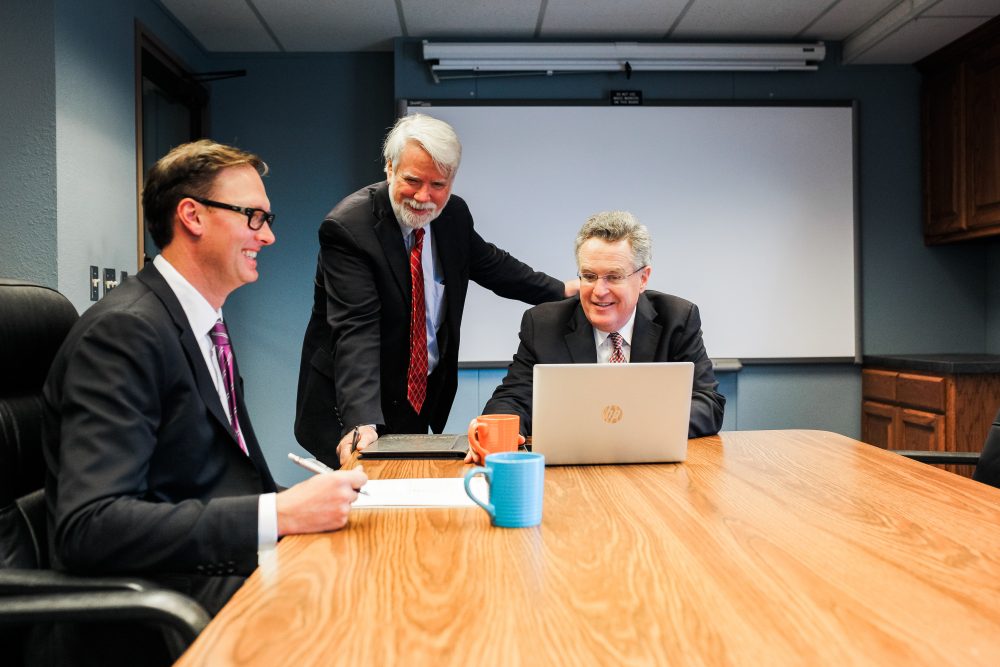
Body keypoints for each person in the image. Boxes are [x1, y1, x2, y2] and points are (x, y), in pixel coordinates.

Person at [42, 140, 367, 628]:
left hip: (221, 575)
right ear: (191, 216)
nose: (268, 237)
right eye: (253, 217)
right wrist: (278, 513)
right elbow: (91, 527)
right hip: (165, 609)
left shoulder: (201, 323)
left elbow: (213, 479)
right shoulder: (124, 332)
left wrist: (315, 506)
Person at [295, 113, 578, 468]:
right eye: (412, 180)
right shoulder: (349, 228)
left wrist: (563, 290)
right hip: (350, 403)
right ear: (389, 168)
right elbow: (357, 329)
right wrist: (361, 420)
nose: (423, 197)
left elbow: (492, 264)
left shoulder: (452, 215)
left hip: (416, 398)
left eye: (438, 185)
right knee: (364, 508)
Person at [468, 210, 725, 462]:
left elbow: (708, 403)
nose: (599, 291)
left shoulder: (677, 318)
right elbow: (513, 398)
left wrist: (632, 426)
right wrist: (493, 432)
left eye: (613, 277)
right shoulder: (544, 324)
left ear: (643, 278)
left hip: (654, 467)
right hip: (571, 472)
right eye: (589, 277)